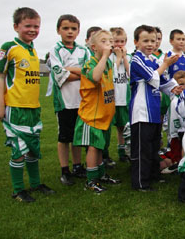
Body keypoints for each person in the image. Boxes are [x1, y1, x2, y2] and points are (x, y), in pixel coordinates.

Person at [0, 7, 55, 202]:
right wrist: (0, 105)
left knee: (33, 147)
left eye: (36, 26)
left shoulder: (33, 49)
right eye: (28, 25)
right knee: (19, 149)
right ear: (16, 26)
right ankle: (18, 190)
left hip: (33, 108)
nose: (32, 29)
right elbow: (0, 76)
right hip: (16, 108)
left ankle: (36, 184)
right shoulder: (9, 47)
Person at [129, 25, 181, 191]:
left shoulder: (152, 60)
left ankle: (152, 176)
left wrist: (175, 88)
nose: (150, 44)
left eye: (153, 40)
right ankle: (140, 182)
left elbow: (163, 81)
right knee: (142, 149)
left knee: (153, 146)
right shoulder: (136, 60)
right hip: (142, 111)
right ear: (136, 42)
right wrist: (165, 64)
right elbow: (153, 77)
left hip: (153, 110)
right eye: (145, 41)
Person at [72, 30, 121, 194]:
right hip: (91, 116)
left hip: (104, 116)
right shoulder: (90, 63)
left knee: (100, 147)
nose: (109, 44)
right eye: (104, 41)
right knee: (93, 147)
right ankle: (91, 180)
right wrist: (106, 56)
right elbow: (95, 77)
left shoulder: (107, 63)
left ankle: (101, 175)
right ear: (93, 47)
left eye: (110, 41)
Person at [49, 14, 90, 185]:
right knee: (64, 137)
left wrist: (71, 70)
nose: (70, 32)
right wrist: (79, 72)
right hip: (64, 101)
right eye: (66, 28)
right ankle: (64, 170)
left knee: (77, 136)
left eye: (73, 29)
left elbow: (90, 71)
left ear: (78, 31)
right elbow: (60, 75)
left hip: (82, 100)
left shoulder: (84, 50)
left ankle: (78, 166)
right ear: (59, 30)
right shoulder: (55, 50)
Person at [161, 71, 185, 174]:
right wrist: (175, 133)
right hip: (177, 133)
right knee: (176, 151)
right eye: (181, 84)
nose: (184, 87)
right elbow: (173, 119)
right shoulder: (175, 100)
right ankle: (176, 165)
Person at [109, 27, 131, 162]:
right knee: (107, 127)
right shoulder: (109, 56)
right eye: (116, 41)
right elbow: (112, 73)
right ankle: (104, 155)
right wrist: (118, 58)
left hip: (124, 98)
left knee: (123, 127)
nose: (119, 44)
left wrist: (124, 58)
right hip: (111, 99)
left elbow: (130, 73)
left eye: (122, 41)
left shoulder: (128, 56)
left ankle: (123, 152)